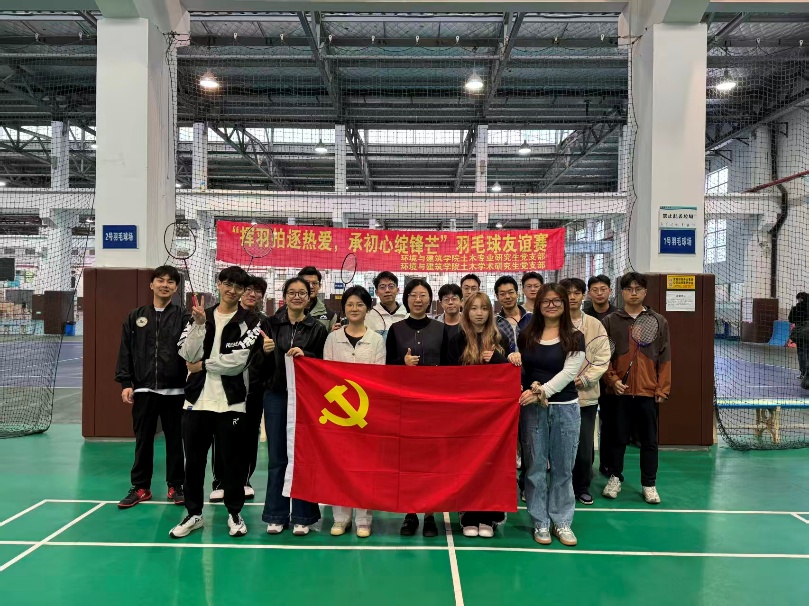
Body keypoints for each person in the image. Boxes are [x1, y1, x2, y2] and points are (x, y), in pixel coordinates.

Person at [171, 266, 262, 539]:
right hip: (196, 402)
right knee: (194, 462)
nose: (232, 290)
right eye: (228, 284)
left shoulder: (251, 322)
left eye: (238, 287)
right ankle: (193, 514)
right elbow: (186, 353)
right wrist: (199, 325)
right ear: (219, 284)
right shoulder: (200, 316)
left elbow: (237, 362)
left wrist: (203, 365)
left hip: (232, 403)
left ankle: (234, 513)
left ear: (243, 291)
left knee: (233, 463)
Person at [515, 283, 585, 547]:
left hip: (565, 409)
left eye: (557, 301)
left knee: (563, 468)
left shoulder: (575, 337)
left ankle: (562, 521)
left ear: (565, 304)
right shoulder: (526, 335)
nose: (551, 305)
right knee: (534, 468)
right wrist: (512, 358)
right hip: (533, 411)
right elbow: (522, 367)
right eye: (546, 301)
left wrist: (541, 392)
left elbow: (569, 373)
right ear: (538, 305)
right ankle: (540, 521)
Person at [115, 266, 189, 509]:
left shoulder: (184, 317)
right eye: (160, 280)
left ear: (176, 288)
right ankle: (140, 487)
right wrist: (126, 383)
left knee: (175, 442)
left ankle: (176, 485)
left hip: (176, 391)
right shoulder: (135, 316)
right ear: (152, 284)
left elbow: (193, 350)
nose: (165, 285)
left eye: (170, 282)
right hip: (144, 390)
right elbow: (125, 351)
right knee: (143, 440)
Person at [262, 277, 329, 536]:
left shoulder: (317, 329)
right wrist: (266, 351)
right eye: (292, 292)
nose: (297, 296)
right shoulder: (270, 324)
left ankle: (304, 515)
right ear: (285, 296)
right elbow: (256, 363)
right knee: (277, 456)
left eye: (302, 292)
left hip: (306, 399)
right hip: (276, 395)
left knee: (303, 455)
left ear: (310, 297)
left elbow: (323, 364)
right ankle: (276, 514)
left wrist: (306, 355)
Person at [446, 292, 514, 538]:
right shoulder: (456, 339)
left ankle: (489, 515)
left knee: (491, 464)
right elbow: (448, 378)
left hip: (494, 416)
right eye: (474, 308)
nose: (479, 313)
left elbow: (511, 373)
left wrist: (498, 359)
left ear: (490, 312)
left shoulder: (500, 337)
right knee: (467, 464)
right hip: (465, 414)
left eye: (484, 308)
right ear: (466, 312)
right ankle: (468, 514)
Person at [601, 272, 671, 505]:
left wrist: (662, 389)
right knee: (617, 438)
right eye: (629, 289)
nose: (633, 293)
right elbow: (603, 356)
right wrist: (612, 381)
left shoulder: (659, 321)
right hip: (619, 392)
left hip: (647, 392)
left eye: (638, 289)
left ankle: (649, 484)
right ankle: (615, 478)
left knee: (649, 441)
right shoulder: (610, 321)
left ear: (645, 292)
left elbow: (665, 357)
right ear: (622, 292)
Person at [386, 278, 449, 537]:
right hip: (406, 405)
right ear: (406, 299)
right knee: (408, 461)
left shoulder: (442, 329)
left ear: (429, 299)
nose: (418, 299)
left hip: (435, 406)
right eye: (413, 295)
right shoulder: (396, 330)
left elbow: (451, 368)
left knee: (432, 462)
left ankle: (431, 514)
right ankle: (410, 513)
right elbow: (387, 368)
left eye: (423, 295)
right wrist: (402, 363)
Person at [323, 286, 386, 538]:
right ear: (344, 309)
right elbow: (326, 375)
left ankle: (363, 519)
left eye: (360, 304)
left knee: (364, 467)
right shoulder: (332, 339)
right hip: (339, 413)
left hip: (365, 413)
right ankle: (340, 518)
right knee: (339, 465)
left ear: (367, 308)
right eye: (350, 304)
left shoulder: (377, 340)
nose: (354, 308)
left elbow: (379, 376)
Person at [560, 278, 611, 506]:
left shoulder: (595, 325)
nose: (572, 297)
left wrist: (585, 379)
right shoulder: (551, 322)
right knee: (558, 447)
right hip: (556, 397)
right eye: (567, 293)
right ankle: (560, 488)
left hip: (585, 397)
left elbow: (602, 358)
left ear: (583, 296)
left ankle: (581, 487)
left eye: (576, 293)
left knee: (583, 448)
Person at [366, 271, 408, 339]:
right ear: (377, 292)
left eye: (391, 286)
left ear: (397, 290)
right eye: (382, 287)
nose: (387, 290)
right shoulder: (369, 317)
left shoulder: (407, 315)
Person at [494, 275, 531, 354]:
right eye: (502, 294)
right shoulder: (494, 323)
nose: (507, 297)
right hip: (504, 361)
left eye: (511, 292)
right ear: (497, 297)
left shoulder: (531, 318)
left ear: (517, 294)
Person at [298, 266, 337, 331]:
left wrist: (332, 334)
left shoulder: (330, 315)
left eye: (314, 283)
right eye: (306, 283)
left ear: (319, 286)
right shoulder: (284, 312)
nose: (311, 286)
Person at [788, 292, 809, 383]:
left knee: (801, 353)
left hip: (801, 334)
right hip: (804, 334)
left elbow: (791, 319)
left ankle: (803, 373)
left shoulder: (796, 308)